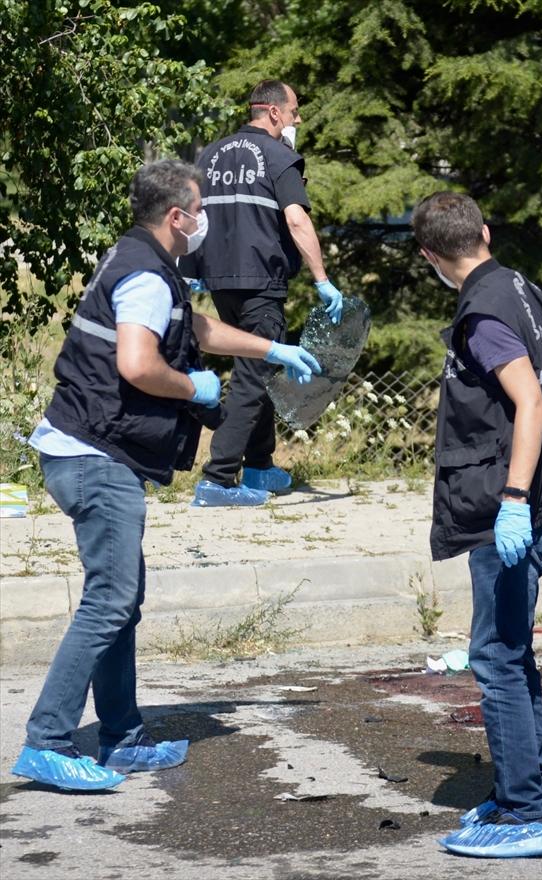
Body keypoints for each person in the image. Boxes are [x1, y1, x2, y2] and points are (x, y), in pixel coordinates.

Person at [10, 160, 321, 791]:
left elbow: (193, 325)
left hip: (91, 451)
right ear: (177, 217)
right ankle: (45, 741)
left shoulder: (145, 262)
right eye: (200, 209)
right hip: (94, 457)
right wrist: (194, 385)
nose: (205, 220)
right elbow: (136, 362)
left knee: (120, 602)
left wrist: (269, 347)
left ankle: (122, 738)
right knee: (110, 601)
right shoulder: (148, 276)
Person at [412, 192, 542, 858]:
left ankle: (525, 814)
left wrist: (513, 499)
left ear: (430, 257)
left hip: (520, 504)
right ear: (485, 231)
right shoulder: (516, 286)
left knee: (496, 658)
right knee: (511, 648)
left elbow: (528, 401)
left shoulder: (482, 315)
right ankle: (533, 789)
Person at [184, 79, 344, 507]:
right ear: (274, 113)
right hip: (260, 282)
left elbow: (190, 215)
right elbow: (296, 221)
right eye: (294, 111)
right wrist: (321, 279)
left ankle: (259, 465)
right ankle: (217, 478)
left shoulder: (210, 154)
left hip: (221, 281)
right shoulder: (280, 156)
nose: (297, 119)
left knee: (265, 364)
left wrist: (189, 269)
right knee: (253, 376)